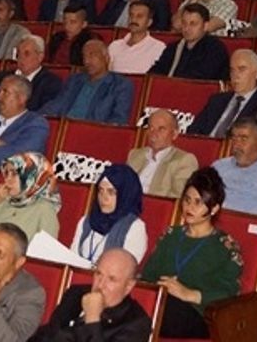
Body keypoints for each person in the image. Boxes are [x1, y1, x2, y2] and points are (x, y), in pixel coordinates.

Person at [139, 168, 242, 339]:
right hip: (160, 302)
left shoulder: (225, 246)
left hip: (197, 314)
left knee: (153, 312)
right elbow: (148, 274)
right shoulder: (171, 235)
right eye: (187, 200)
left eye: (198, 202)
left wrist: (189, 294)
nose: (189, 207)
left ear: (214, 208)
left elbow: (229, 293)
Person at [30, 248, 151, 342]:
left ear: (129, 286)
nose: (100, 284)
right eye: (98, 274)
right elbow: (50, 333)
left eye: (112, 279)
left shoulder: (136, 323)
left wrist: (92, 319)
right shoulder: (76, 294)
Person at [0, 152, 61, 241]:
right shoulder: (4, 200)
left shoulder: (45, 209)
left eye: (14, 174)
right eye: (6, 173)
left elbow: (45, 248)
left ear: (31, 176)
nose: (7, 180)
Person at [41, 40, 135, 124]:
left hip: (92, 132)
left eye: (92, 55)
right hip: (65, 127)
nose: (86, 61)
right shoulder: (74, 80)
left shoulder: (120, 85)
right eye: (84, 57)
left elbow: (118, 120)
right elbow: (56, 105)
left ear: (106, 58)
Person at [70, 164, 147, 264]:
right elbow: (72, 256)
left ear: (125, 195)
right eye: (101, 190)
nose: (104, 198)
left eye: (111, 192)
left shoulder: (135, 227)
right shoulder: (86, 221)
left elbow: (126, 267)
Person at [191, 49, 257, 137]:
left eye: (242, 69)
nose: (235, 75)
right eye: (232, 70)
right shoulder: (217, 100)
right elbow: (193, 131)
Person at [0, 36, 64, 111]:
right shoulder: (4, 77)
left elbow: (44, 112)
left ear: (40, 57)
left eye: (26, 54)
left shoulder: (50, 83)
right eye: (18, 54)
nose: (21, 58)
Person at [129, 109, 200, 197]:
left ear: (174, 134)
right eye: (151, 128)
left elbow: (178, 197)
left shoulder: (184, 160)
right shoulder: (135, 155)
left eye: (161, 129)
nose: (154, 133)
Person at [149, 3, 230, 81]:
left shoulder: (215, 49)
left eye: (193, 24)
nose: (187, 28)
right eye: (184, 23)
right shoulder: (173, 48)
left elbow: (200, 79)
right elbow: (156, 71)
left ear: (205, 26)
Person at [108, 0, 168, 75]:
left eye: (139, 16)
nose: (133, 20)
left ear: (149, 22)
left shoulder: (158, 48)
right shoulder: (115, 45)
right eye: (131, 15)